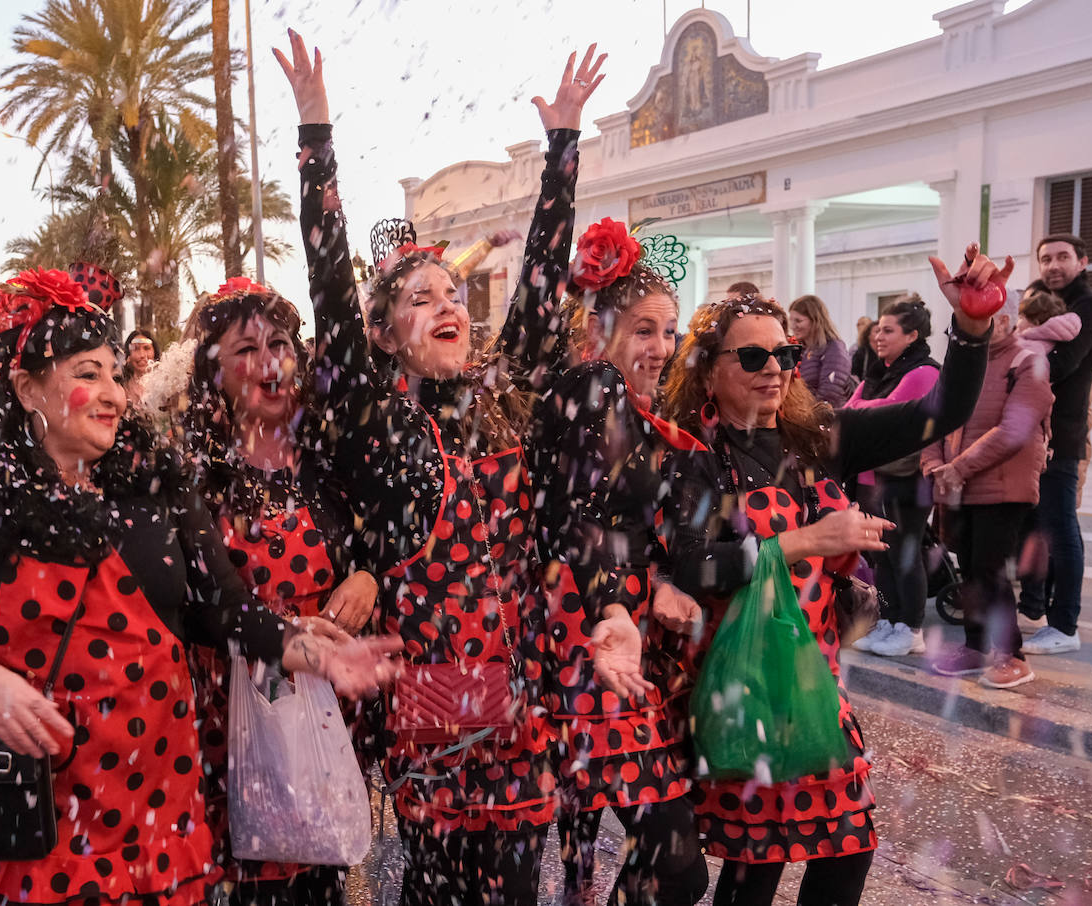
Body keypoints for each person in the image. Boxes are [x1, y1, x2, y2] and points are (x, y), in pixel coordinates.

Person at [0, 266, 398, 906]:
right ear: (25, 387)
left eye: (116, 373)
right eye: (85, 374)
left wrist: (317, 653)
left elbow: (229, 613)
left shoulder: (158, 483)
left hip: (161, 823)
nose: (113, 395)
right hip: (42, 836)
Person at [278, 29, 599, 905]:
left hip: (522, 700)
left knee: (520, 887)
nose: (446, 305)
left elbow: (539, 287)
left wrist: (562, 147)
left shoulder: (499, 395)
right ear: (384, 334)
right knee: (447, 892)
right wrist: (316, 138)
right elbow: (330, 292)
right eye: (420, 300)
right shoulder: (378, 418)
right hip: (437, 711)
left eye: (453, 294)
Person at [656, 243, 1004, 906]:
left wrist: (973, 328)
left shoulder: (815, 438)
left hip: (816, 688)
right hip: (739, 689)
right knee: (753, 867)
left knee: (848, 849)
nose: (775, 370)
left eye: (784, 354)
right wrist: (808, 540)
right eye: (752, 357)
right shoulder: (692, 455)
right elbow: (693, 563)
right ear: (706, 372)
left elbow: (940, 413)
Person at [179, 279, 379, 906]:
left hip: (327, 710)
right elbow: (194, 605)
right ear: (214, 373)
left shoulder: (328, 461)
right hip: (238, 717)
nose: (270, 362)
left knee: (324, 872)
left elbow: (385, 540)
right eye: (247, 348)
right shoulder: (196, 478)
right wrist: (271, 637)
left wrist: (369, 575)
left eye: (282, 343)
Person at [528, 220, 709, 906]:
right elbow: (579, 517)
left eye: (670, 330)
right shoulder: (592, 386)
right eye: (645, 329)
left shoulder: (636, 410)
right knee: (676, 866)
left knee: (612, 849)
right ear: (601, 330)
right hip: (585, 642)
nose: (662, 347)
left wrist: (656, 579)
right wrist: (612, 602)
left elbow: (628, 522)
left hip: (614, 639)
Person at [924, 311, 1051, 688]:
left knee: (989, 568)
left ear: (1007, 319)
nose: (970, 330)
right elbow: (935, 417)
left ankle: (1012, 654)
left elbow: (1014, 429)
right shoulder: (960, 364)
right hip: (959, 486)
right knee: (970, 569)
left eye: (982, 320)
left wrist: (958, 467)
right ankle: (976, 647)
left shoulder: (1027, 362)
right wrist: (933, 463)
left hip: (1003, 484)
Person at [1019, 234, 1092, 654]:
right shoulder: (1037, 299)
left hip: (1060, 437)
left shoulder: (1089, 307)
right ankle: (1040, 607)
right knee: (1040, 527)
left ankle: (1065, 625)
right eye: (1046, 258)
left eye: (1062, 257)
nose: (1053, 265)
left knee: (1061, 528)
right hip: (1031, 432)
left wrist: (1013, 361)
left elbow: (1062, 365)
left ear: (1082, 261)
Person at [844, 296, 940, 658]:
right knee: (882, 553)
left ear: (912, 335)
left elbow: (888, 411)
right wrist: (856, 410)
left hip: (908, 476)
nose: (878, 336)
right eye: (877, 329)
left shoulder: (924, 371)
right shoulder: (880, 370)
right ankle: (887, 618)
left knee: (906, 552)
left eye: (888, 330)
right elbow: (852, 406)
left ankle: (911, 627)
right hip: (873, 474)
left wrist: (856, 410)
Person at [789, 294, 853, 406]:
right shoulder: (803, 351)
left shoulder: (834, 349)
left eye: (798, 321)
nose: (793, 326)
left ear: (815, 320)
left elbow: (829, 394)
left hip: (826, 418)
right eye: (791, 320)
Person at [1016, 285, 1080, 357]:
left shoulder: (1031, 347)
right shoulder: (1038, 340)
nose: (1016, 322)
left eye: (1021, 317)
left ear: (1035, 322)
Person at [124, 328, 159, 408]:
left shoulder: (166, 386)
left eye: (147, 348)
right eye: (136, 349)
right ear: (128, 355)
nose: (142, 355)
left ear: (155, 352)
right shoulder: (121, 388)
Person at [849, 316, 876, 383]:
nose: (859, 326)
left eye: (863, 323)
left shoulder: (882, 350)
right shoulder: (856, 349)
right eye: (858, 324)